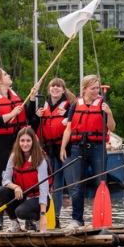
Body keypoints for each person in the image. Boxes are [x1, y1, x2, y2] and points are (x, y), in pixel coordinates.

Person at [60, 74, 116, 228]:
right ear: (84, 89)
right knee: (77, 185)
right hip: (78, 147)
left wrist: (109, 113)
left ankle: (101, 219)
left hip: (97, 147)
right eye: (93, 88)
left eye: (98, 88)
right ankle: (77, 219)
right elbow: (69, 129)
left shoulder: (103, 103)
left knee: (101, 183)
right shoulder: (75, 105)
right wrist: (63, 147)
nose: (96, 91)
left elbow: (111, 127)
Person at [0, 68, 32, 230]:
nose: (9, 75)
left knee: (23, 178)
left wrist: (31, 100)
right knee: (1, 180)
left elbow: (28, 115)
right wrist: (10, 115)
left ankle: (27, 218)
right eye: (5, 74)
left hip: (17, 142)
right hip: (0, 143)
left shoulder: (14, 96)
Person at [35, 78, 75, 227]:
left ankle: (76, 219)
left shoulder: (70, 106)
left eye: (58, 87)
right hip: (50, 150)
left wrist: (67, 116)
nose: (55, 88)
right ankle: (56, 218)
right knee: (55, 187)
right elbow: (34, 125)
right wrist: (35, 115)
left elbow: (76, 124)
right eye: (52, 86)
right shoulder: (42, 106)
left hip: (66, 149)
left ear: (63, 90)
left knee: (72, 184)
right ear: (49, 89)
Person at [0, 127, 50, 233]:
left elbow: (44, 188)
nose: (25, 144)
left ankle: (37, 219)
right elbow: (5, 180)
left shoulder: (40, 159)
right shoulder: (13, 157)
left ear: (33, 142)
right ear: (18, 142)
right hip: (22, 196)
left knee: (21, 212)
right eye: (22, 141)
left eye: (28, 141)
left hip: (38, 199)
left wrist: (43, 214)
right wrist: (16, 187)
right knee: (1, 191)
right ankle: (15, 223)